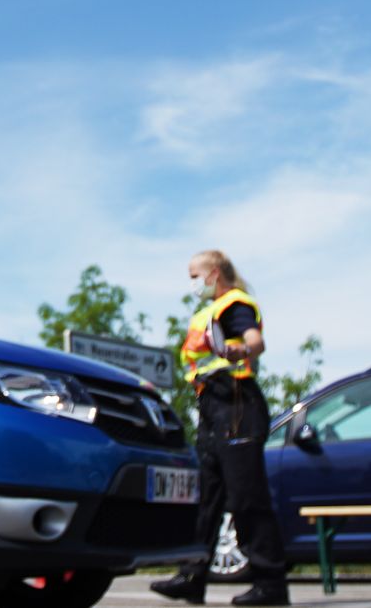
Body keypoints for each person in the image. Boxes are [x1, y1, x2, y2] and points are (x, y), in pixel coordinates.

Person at [151, 250, 288, 606]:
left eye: (194, 275)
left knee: (246, 497)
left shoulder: (234, 304)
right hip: (211, 407)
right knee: (206, 497)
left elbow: (255, 342)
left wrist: (240, 350)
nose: (192, 283)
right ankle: (192, 577)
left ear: (214, 273)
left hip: (237, 404)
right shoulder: (204, 314)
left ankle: (270, 584)